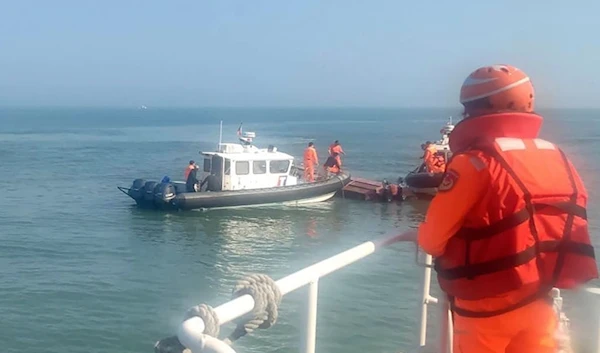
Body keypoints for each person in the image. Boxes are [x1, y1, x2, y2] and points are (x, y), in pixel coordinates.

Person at [399, 64, 598, 353]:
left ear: (477, 109)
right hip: (540, 298)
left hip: (485, 308)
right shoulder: (556, 155)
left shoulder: (473, 163)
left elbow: (432, 240)